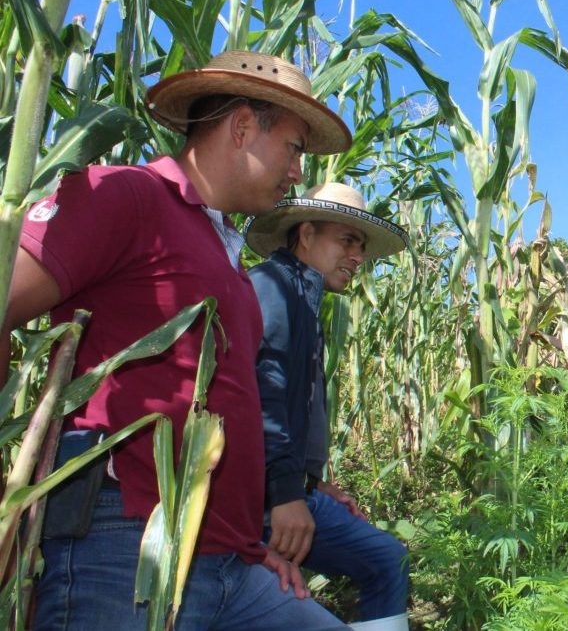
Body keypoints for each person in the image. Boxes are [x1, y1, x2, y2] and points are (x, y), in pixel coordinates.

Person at [10, 50, 354, 629]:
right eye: (295, 148)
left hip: (226, 562)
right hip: (123, 548)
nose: (299, 171)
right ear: (242, 126)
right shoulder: (124, 197)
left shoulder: (230, 258)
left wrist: (246, 543)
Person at [246, 183, 411, 631]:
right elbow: (263, 397)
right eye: (346, 241)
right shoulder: (271, 288)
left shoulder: (304, 300)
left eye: (361, 246)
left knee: (387, 558)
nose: (358, 257)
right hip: (257, 504)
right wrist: (286, 494)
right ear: (305, 234)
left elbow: (294, 409)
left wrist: (314, 483)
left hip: (291, 488)